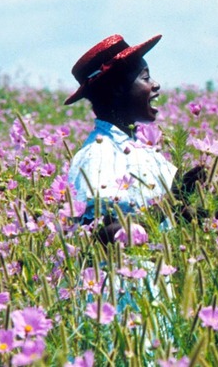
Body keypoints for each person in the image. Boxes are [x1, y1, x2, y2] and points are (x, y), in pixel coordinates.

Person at [64, 33, 178, 240]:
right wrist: (174, 199)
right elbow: (98, 234)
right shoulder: (98, 154)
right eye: (145, 77)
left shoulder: (145, 152)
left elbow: (193, 216)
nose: (156, 84)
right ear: (117, 89)